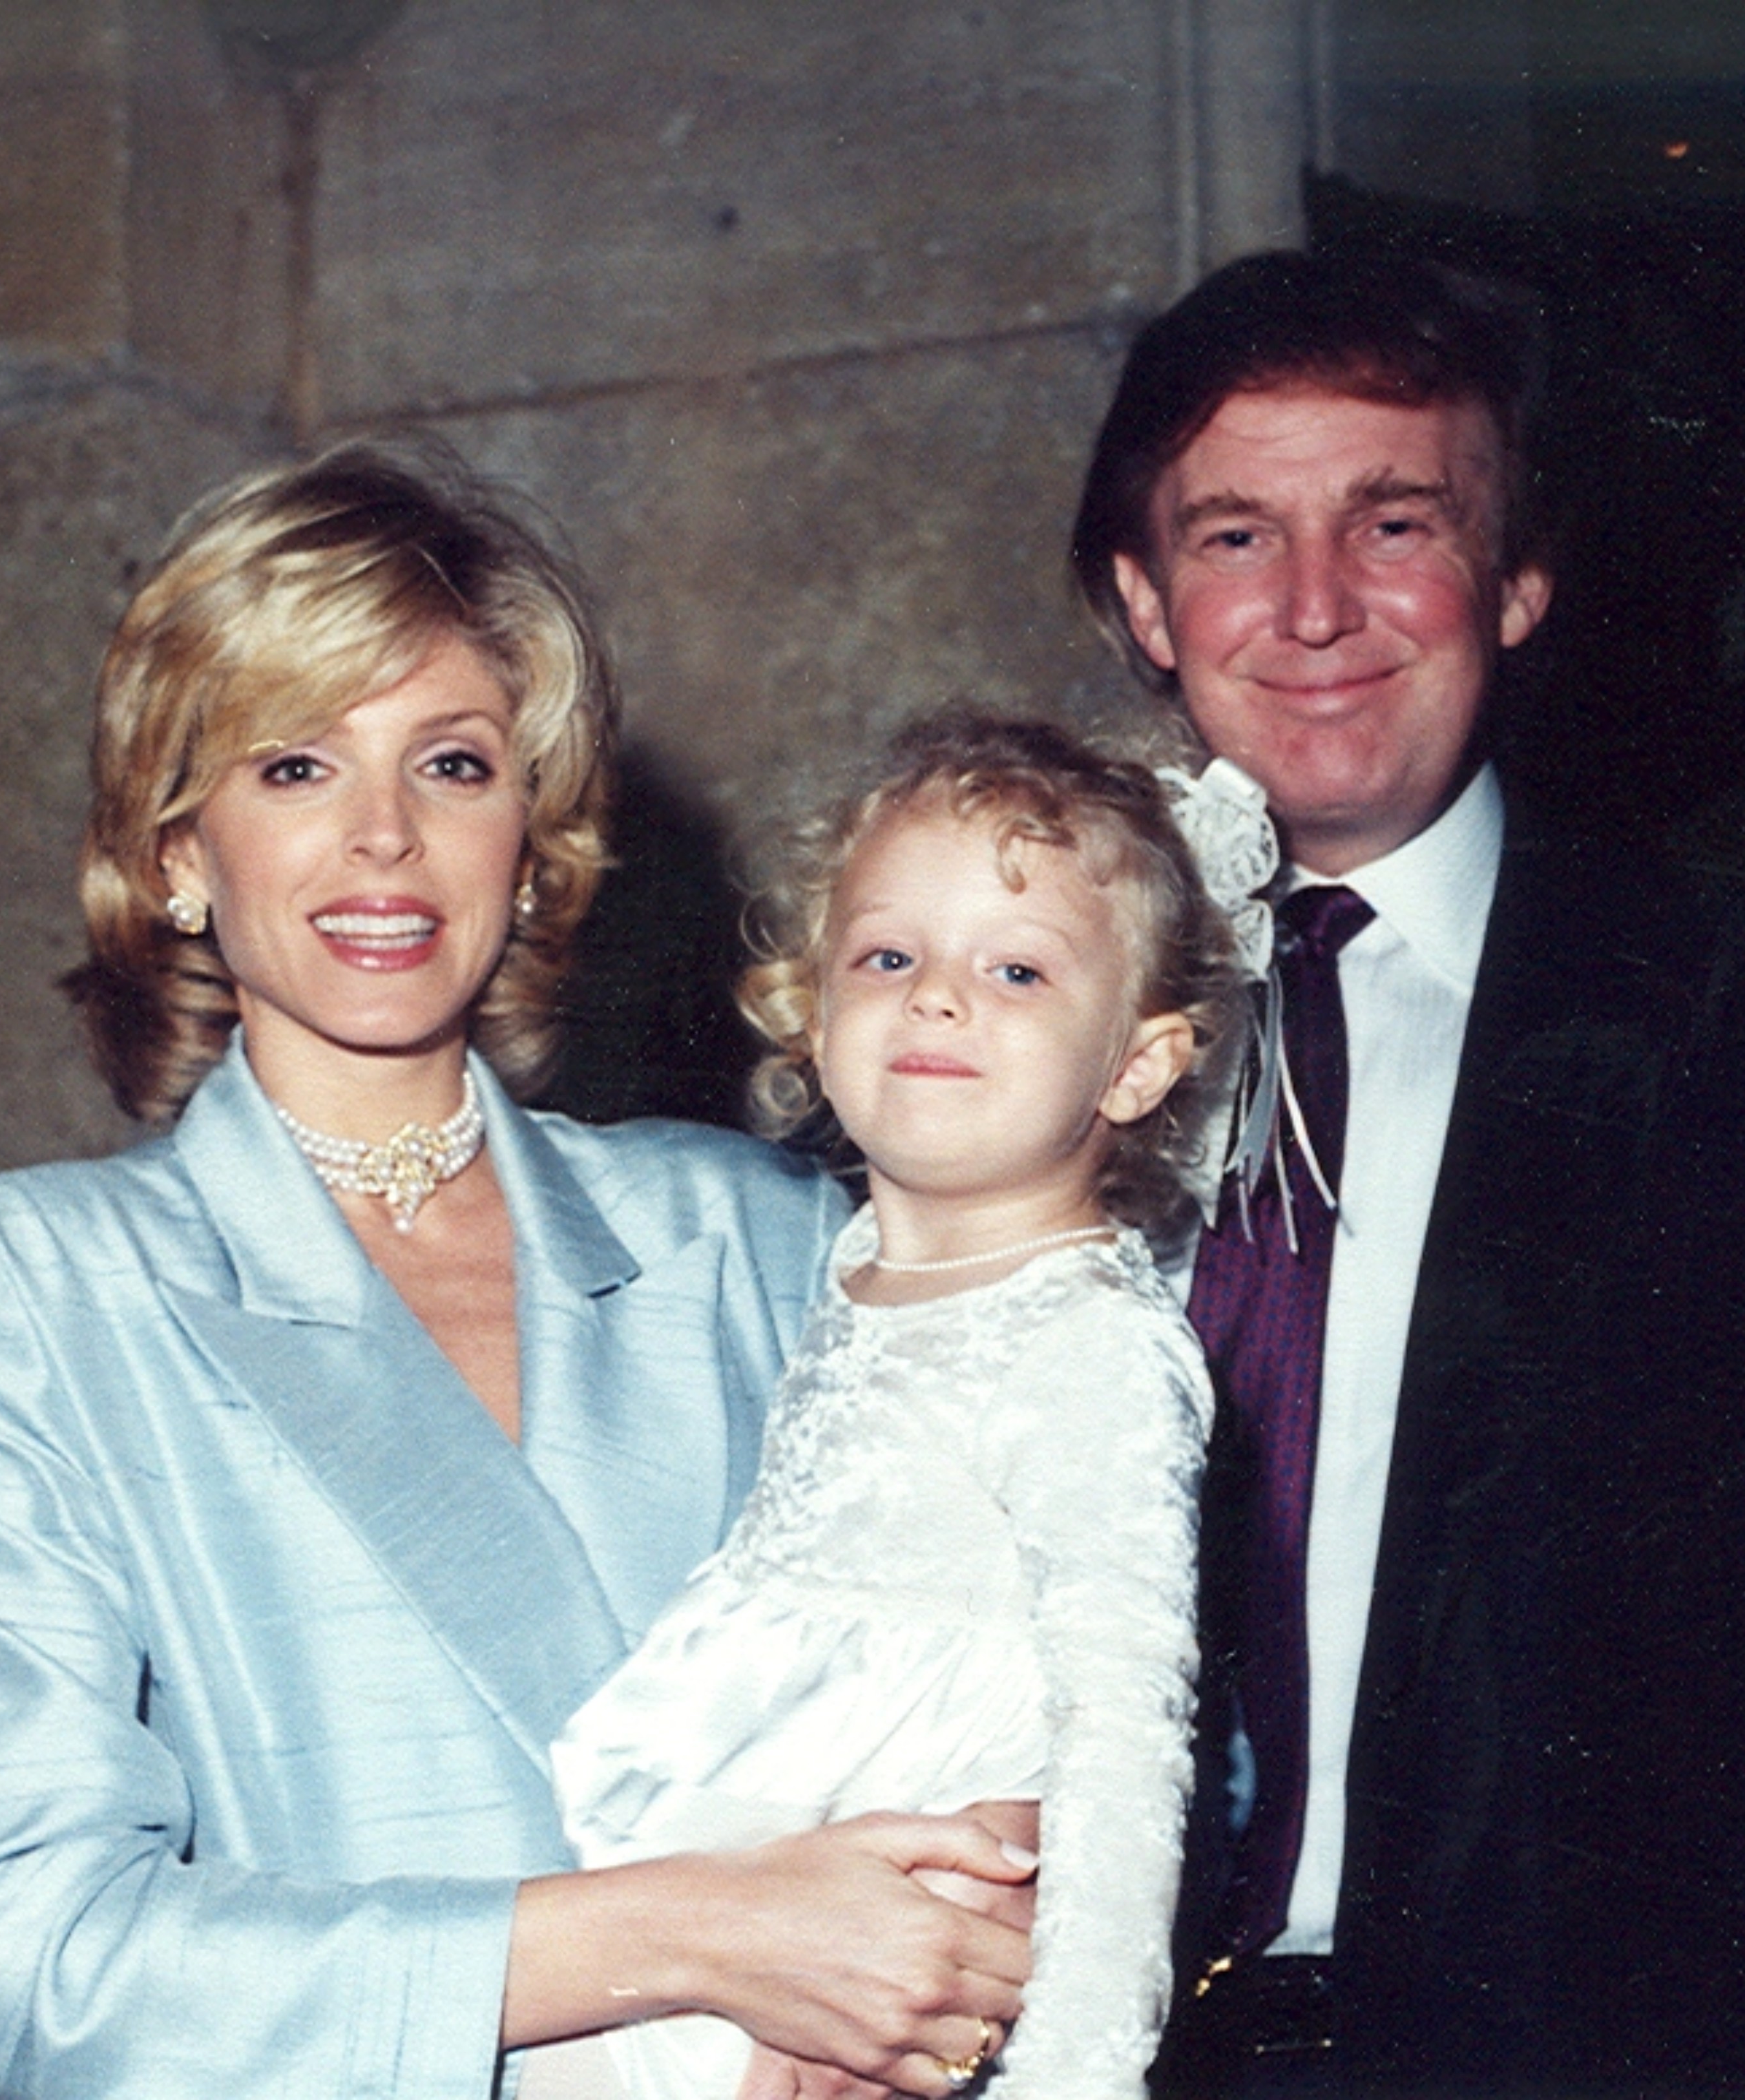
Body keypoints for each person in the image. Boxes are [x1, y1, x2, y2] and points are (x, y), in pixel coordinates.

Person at [0, 441, 1037, 2100]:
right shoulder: (38, 1286)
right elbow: (46, 1954)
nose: (384, 839)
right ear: (181, 852)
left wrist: (913, 1980)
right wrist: (703, 1934)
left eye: (453, 762)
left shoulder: (757, 1238)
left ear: (533, 834)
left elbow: (1053, 1695)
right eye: (293, 767)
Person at [1070, 250, 1745, 2094]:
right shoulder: (982, 1022)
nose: (1307, 608)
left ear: (1515, 578)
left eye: (1391, 522)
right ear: (1140, 600)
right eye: (1228, 538)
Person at [531, 715, 1257, 2100]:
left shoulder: (1091, 1338)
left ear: (1140, 1064)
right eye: (888, 954)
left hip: (897, 1887)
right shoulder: (853, 1257)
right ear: (812, 1007)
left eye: (1018, 967)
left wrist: (1078, 2070)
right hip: (740, 1840)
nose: (935, 996)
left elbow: (1125, 1731)